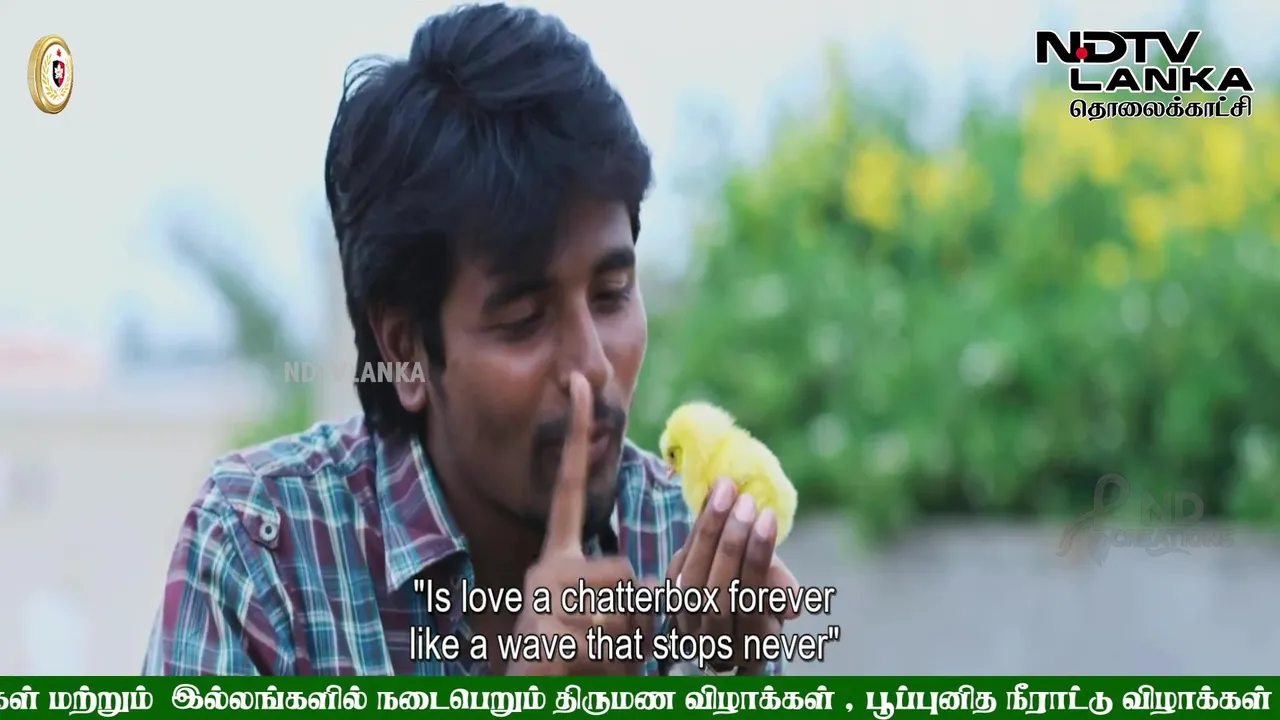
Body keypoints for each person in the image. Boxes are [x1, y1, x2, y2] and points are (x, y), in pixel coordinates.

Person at [143, 2, 800, 676]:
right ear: (406, 352)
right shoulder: (262, 550)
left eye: (611, 295)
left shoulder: (686, 544)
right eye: (524, 319)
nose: (593, 366)